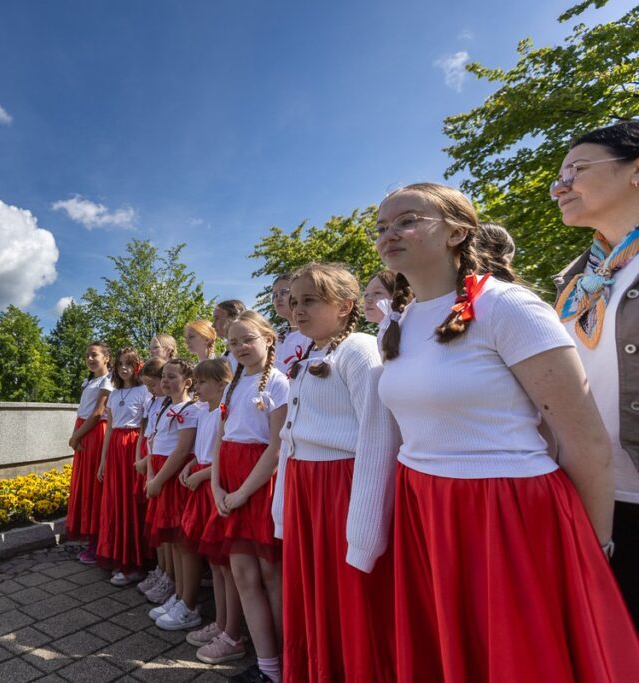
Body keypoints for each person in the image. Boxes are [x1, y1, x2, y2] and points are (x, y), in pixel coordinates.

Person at [375, 182, 638, 680]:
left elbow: (584, 439)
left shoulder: (508, 307)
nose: (390, 234)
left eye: (408, 220)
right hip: (425, 505)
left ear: (457, 232)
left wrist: (593, 546)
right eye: (383, 226)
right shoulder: (401, 321)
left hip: (506, 511)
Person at [273, 263, 398, 682]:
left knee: (348, 597)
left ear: (345, 306)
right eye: (294, 303)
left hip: (341, 490)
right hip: (307, 489)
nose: (297, 311)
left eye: (309, 301)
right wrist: (282, 508)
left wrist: (363, 532)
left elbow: (378, 437)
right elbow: (291, 439)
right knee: (313, 596)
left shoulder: (360, 350)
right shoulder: (310, 353)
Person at [551, 120, 639, 623]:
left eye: (578, 170)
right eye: (559, 176)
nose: (561, 186)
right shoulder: (576, 279)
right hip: (591, 493)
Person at [202, 310, 288, 683]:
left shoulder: (280, 384)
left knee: (270, 573)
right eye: (233, 342)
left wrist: (241, 493)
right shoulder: (234, 386)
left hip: (258, 484)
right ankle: (267, 665)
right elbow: (221, 439)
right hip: (231, 482)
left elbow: (275, 448)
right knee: (242, 573)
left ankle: (288, 662)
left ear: (268, 339)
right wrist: (218, 486)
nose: (240, 348)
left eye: (248, 339)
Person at [181, 358, 247, 664]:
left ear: (222, 383)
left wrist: (204, 475)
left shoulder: (225, 411)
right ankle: (221, 624)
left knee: (227, 566)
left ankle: (232, 629)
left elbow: (223, 458)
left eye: (203, 382)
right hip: (204, 484)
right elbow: (204, 451)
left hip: (216, 489)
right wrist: (192, 465)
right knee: (216, 564)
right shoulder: (206, 412)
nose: (197, 387)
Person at [144, 359, 201, 630]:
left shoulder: (191, 410)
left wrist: (159, 479)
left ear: (188, 382)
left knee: (183, 543)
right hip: (160, 476)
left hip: (174, 481)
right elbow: (154, 442)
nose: (165, 381)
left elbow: (181, 450)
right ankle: (178, 595)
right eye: (164, 376)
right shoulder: (167, 406)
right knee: (174, 543)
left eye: (172, 377)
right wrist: (150, 476)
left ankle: (189, 604)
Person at [96, 347, 150, 586]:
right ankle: (117, 555)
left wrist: (140, 455)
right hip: (116, 446)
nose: (124, 368)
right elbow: (109, 430)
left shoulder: (145, 391)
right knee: (115, 503)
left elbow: (145, 427)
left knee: (130, 503)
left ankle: (135, 563)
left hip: (133, 446)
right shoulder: (115, 394)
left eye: (128, 364)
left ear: (137, 366)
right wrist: (103, 460)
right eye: (120, 365)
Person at [66, 342, 113, 564]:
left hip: (94, 434)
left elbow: (97, 413)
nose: (90, 359)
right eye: (87, 355)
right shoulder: (90, 381)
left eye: (94, 355)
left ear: (106, 357)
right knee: (85, 486)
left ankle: (98, 542)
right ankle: (91, 539)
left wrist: (76, 436)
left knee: (95, 489)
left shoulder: (108, 381)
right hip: (86, 433)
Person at [135, 358, 172, 600]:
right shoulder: (155, 402)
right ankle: (162, 570)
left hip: (160, 464)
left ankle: (170, 577)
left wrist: (146, 461)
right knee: (155, 523)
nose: (151, 390)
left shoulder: (170, 404)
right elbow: (146, 433)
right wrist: (141, 456)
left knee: (165, 526)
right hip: (150, 460)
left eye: (152, 385)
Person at [272, 273, 312, 375]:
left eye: (284, 292)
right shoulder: (278, 339)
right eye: (274, 295)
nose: (278, 298)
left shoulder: (312, 335)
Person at [213, 300, 246, 369]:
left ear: (233, 318)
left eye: (217, 318)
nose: (213, 325)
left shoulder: (249, 353)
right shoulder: (226, 357)